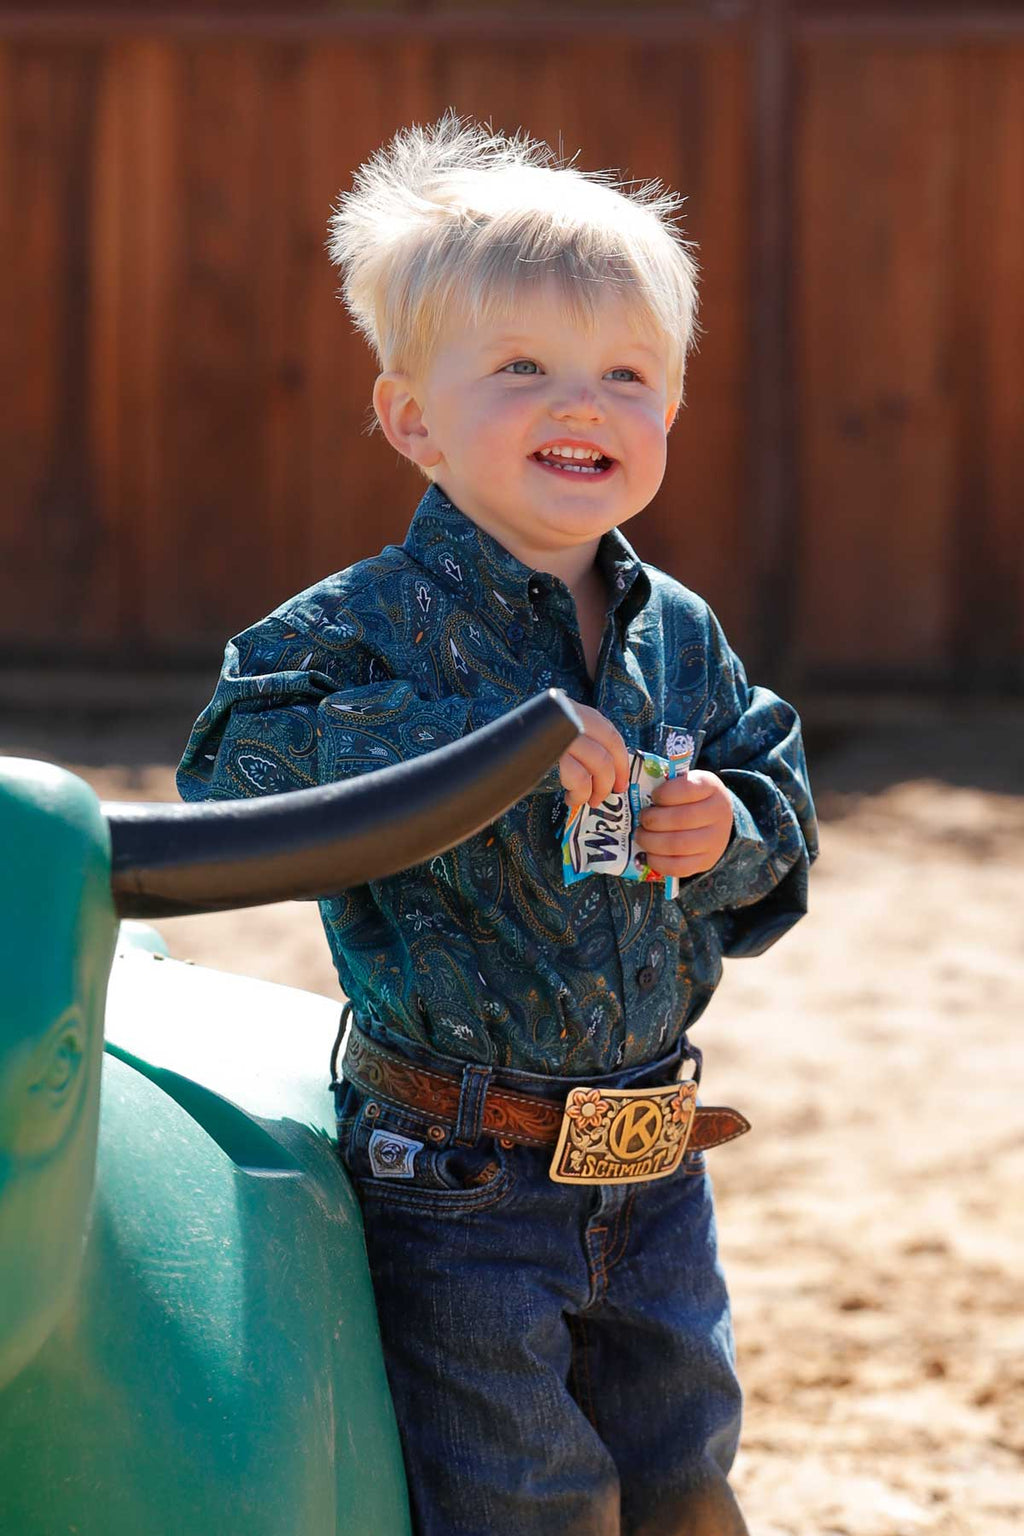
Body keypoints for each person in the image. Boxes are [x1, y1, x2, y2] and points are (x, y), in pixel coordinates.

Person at [178, 115, 817, 1536]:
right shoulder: (359, 629)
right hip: (453, 1172)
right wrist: (481, 754)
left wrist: (731, 829)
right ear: (413, 418)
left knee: (682, 1469)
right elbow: (232, 775)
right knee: (523, 1493)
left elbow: (779, 803)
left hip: (650, 1153)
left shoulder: (680, 637)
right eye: (521, 367)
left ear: (671, 414)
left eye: (625, 373)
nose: (577, 401)